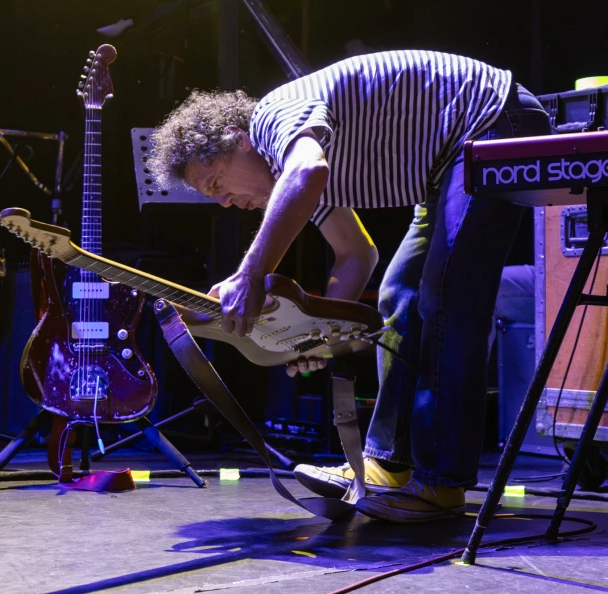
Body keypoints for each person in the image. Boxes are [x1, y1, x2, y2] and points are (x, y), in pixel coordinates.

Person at [148, 49, 552, 523]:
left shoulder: (275, 119)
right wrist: (315, 338)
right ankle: (391, 464)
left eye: (218, 183)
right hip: (448, 166)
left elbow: (309, 172)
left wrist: (251, 272)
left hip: (492, 120)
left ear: (238, 140)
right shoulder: (290, 174)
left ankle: (441, 483)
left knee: (446, 296)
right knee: (398, 295)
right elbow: (357, 254)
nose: (226, 202)